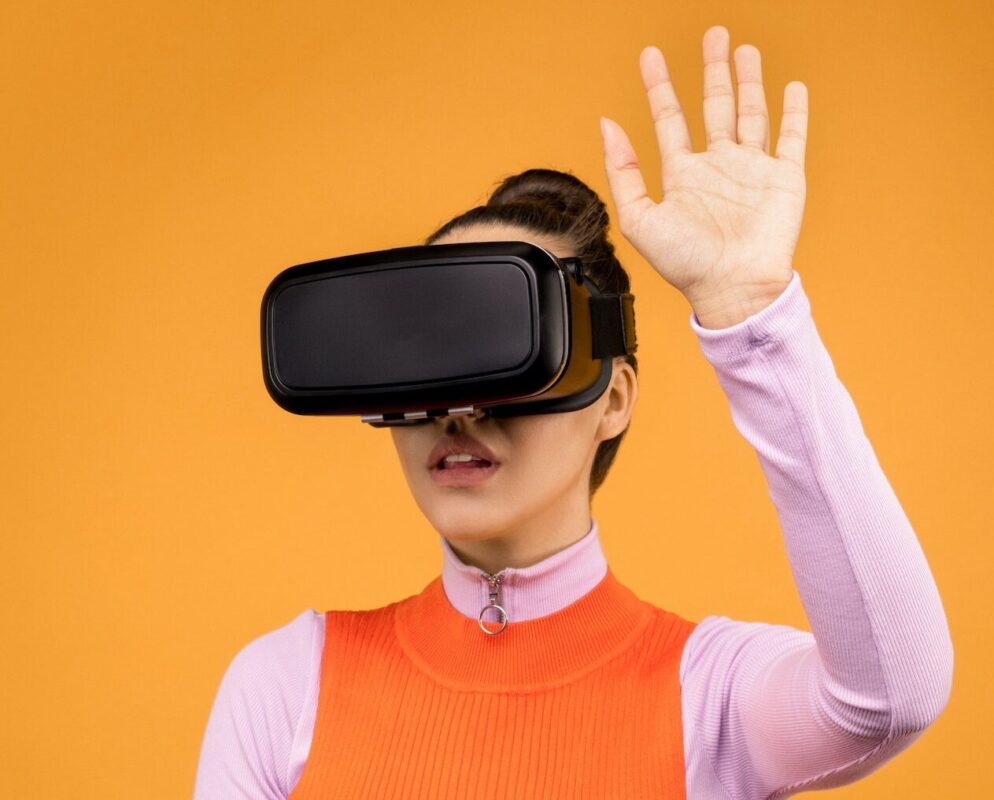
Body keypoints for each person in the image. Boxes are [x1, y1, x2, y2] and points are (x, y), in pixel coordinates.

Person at [193, 25, 953, 798]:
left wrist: (752, 316)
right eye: (430, 357)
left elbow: (892, 697)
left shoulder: (710, 695)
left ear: (611, 399)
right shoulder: (284, 687)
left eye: (503, 349)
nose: (457, 412)